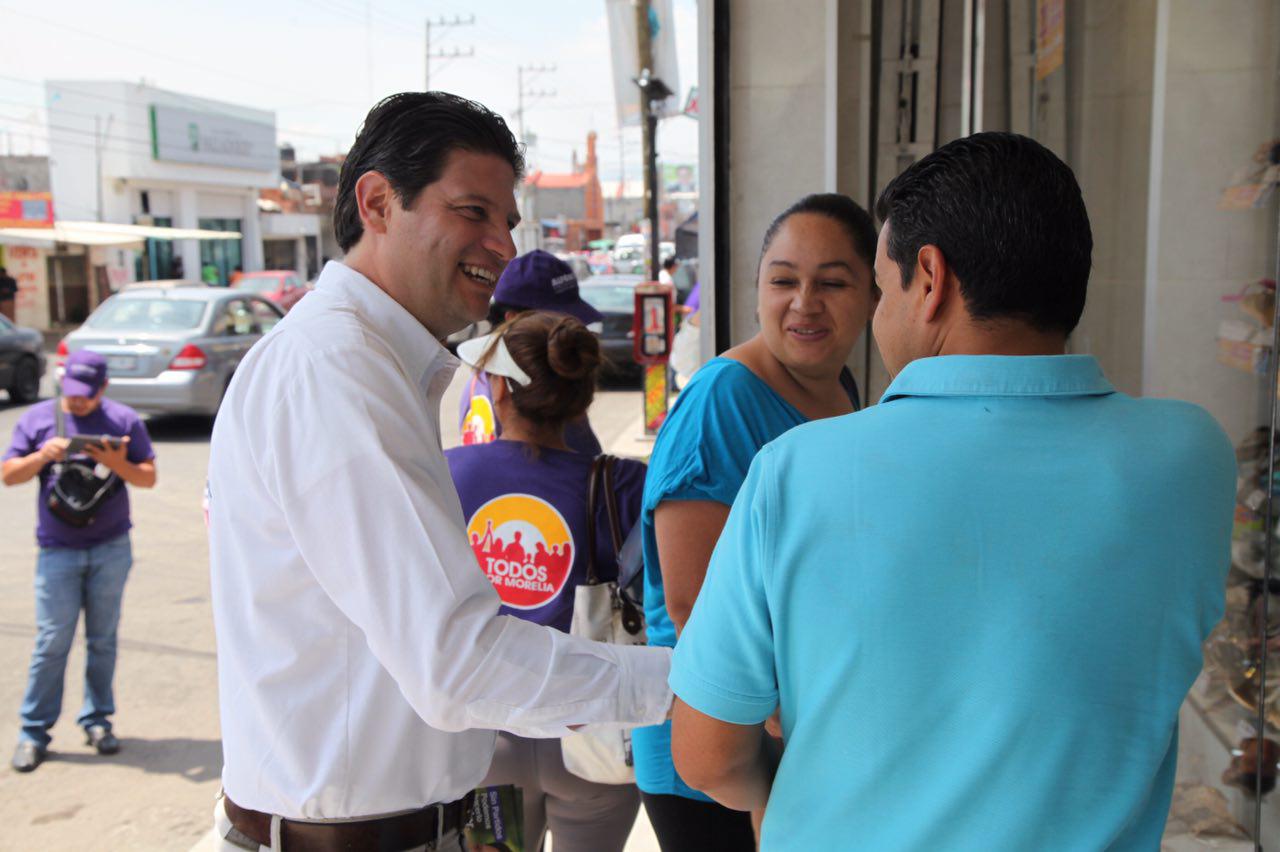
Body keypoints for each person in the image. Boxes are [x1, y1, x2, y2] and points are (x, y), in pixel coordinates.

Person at [667, 133, 1236, 849]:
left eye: (879, 286)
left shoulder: (795, 472)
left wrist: (772, 795)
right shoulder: (1191, 458)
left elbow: (705, 753)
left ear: (929, 280)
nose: (875, 314)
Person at [206, 92, 672, 852]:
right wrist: (693, 684)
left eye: (507, 221)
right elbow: (459, 663)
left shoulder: (369, 362)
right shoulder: (339, 370)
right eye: (471, 211)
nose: (500, 245)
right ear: (378, 202)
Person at [634, 193, 878, 851]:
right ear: (757, 290)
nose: (804, 303)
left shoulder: (840, 387)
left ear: (873, 296)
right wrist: (782, 728)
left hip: (800, 733)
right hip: (719, 751)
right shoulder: (724, 400)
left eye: (832, 282)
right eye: (783, 281)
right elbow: (692, 604)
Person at [447, 312, 647, 852]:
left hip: (484, 741)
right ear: (582, 399)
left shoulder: (443, 476)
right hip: (593, 739)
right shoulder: (624, 484)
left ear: (500, 392)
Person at [2, 350, 157, 773]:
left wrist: (114, 462)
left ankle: (97, 720)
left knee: (103, 639)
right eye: (72, 394)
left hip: (111, 547)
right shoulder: (38, 418)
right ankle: (34, 732)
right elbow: (9, 474)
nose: (78, 403)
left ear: (103, 388)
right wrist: (42, 456)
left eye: (87, 396)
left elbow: (147, 478)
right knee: (52, 641)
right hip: (57, 551)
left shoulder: (124, 421)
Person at [458, 249, 604, 454]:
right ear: (513, 319)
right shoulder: (542, 388)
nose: (569, 333)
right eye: (555, 324)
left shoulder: (481, 378)